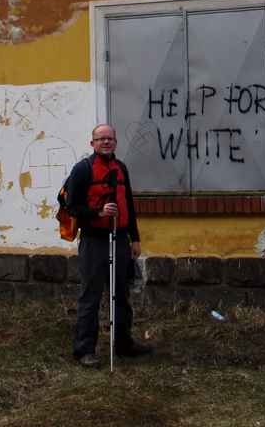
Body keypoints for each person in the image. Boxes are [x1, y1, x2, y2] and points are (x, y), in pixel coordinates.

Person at [65, 124, 153, 369]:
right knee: (90, 296)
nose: (106, 142)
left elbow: (129, 206)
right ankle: (84, 350)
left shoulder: (121, 168)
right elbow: (72, 208)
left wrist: (134, 239)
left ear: (115, 142)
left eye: (110, 138)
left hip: (121, 240)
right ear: (92, 143)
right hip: (94, 240)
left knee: (121, 294)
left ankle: (124, 343)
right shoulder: (82, 169)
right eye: (100, 139)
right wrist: (99, 212)